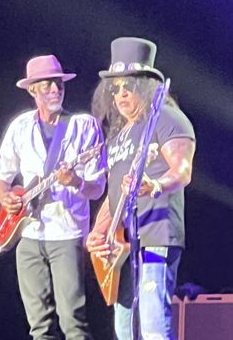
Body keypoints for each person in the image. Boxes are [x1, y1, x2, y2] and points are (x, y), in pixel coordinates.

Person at [86, 37, 196, 340]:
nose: (120, 94)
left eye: (128, 86)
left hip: (156, 234)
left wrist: (155, 185)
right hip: (123, 244)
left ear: (145, 86)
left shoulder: (168, 119)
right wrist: (97, 234)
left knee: (152, 326)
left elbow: (183, 171)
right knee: (125, 330)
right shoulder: (120, 135)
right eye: (115, 87)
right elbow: (113, 197)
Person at [0, 54, 107, 340]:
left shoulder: (84, 126)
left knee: (73, 322)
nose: (55, 90)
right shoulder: (20, 126)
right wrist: (6, 196)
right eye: (46, 86)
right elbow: (1, 177)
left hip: (66, 234)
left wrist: (75, 181)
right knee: (39, 327)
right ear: (32, 90)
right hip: (27, 234)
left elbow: (98, 188)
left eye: (58, 85)